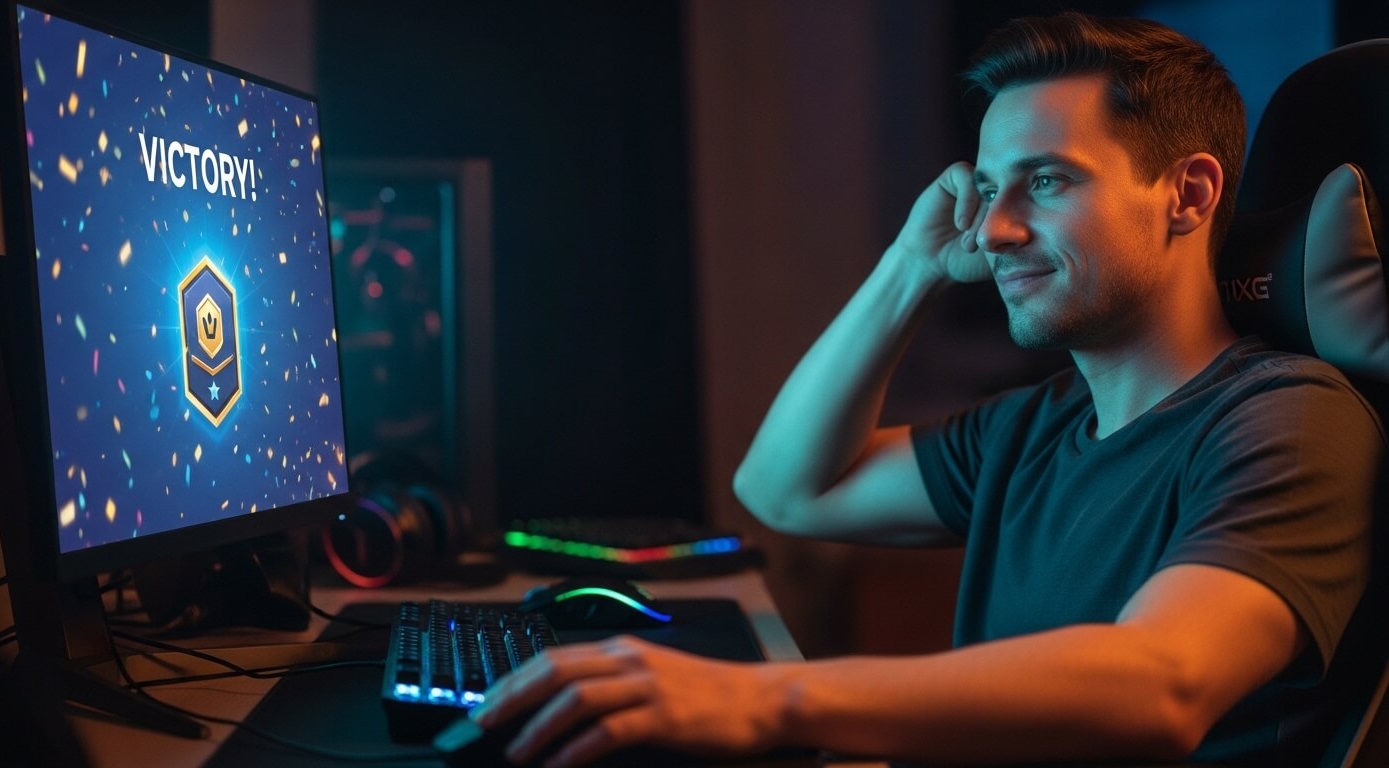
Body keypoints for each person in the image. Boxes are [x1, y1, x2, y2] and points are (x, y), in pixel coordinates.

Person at [469, 12, 1385, 767]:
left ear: (1187, 195)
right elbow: (787, 489)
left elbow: (1162, 682)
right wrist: (909, 265)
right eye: (986, 188)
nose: (994, 229)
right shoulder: (1035, 427)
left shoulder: (1288, 421)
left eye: (1048, 181)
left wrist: (763, 697)